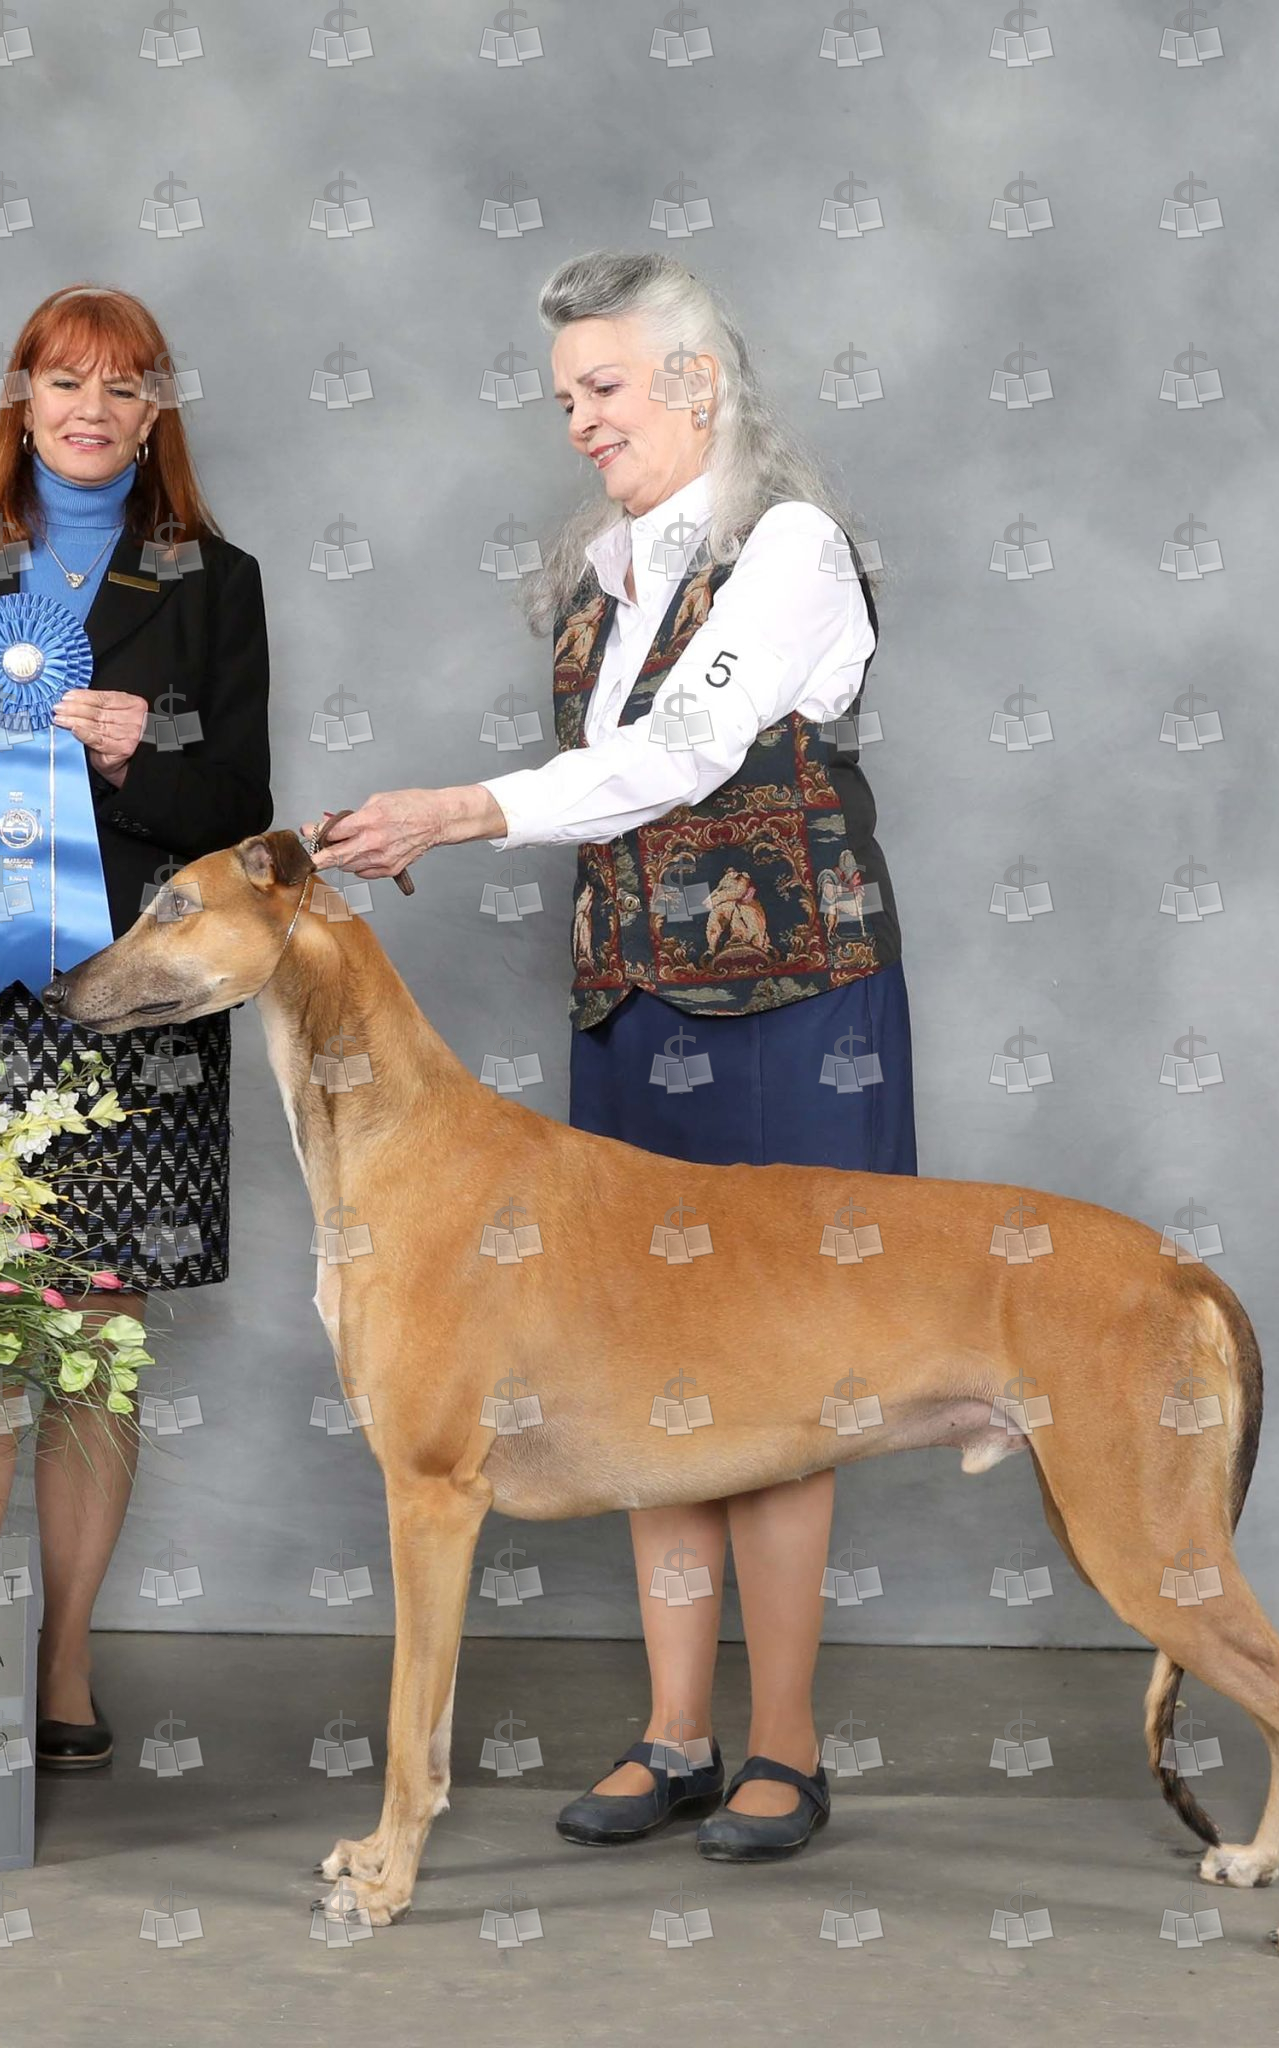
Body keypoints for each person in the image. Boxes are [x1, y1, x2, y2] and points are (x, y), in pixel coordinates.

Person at [303, 249, 916, 1860]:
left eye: (604, 387)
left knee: (788, 1372)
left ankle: (787, 1747)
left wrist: (459, 808)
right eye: (565, 395)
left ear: (697, 383)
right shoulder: (604, 571)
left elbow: (683, 755)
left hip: (796, 1012)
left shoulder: (790, 548)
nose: (577, 419)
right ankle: (677, 1735)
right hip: (634, 1007)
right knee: (652, 1363)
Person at [0, 281, 273, 1771]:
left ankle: (64, 1666)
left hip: (136, 1014)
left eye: (125, 385)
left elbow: (241, 812)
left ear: (157, 414)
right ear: (20, 398)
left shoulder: (213, 579)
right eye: (65, 380)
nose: (93, 408)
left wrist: (144, 756)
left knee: (92, 1345)